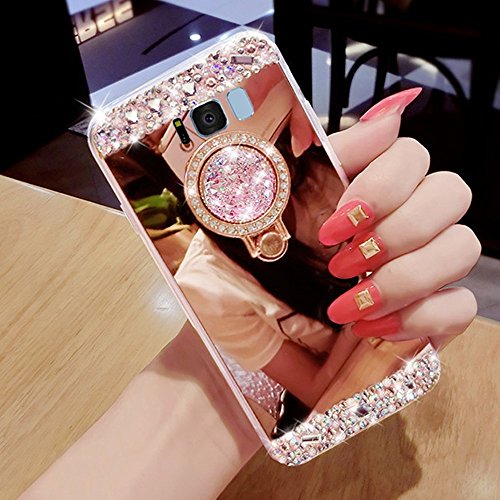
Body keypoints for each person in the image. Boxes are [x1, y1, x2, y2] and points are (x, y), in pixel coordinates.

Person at [20, 91, 480, 499]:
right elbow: (316, 390)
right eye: (169, 140)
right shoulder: (211, 278)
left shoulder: (316, 164)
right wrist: (363, 317)